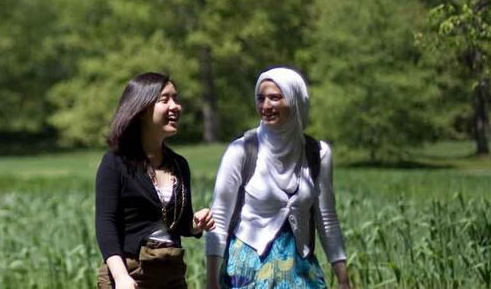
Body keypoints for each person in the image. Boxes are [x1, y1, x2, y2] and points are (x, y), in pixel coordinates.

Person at [204, 67, 352, 289]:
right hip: (246, 273)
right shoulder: (242, 150)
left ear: (295, 100)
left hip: (301, 272)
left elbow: (327, 218)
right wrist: (211, 281)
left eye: (275, 98)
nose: (265, 106)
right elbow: (219, 217)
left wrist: (343, 278)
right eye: (260, 98)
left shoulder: (318, 154)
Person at [96, 72, 214, 289]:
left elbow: (180, 223)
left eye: (176, 99)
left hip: (172, 272)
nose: (175, 106)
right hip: (131, 272)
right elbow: (106, 225)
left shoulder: (179, 165)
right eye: (165, 99)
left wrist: (196, 224)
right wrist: (121, 277)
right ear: (141, 109)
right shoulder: (115, 162)